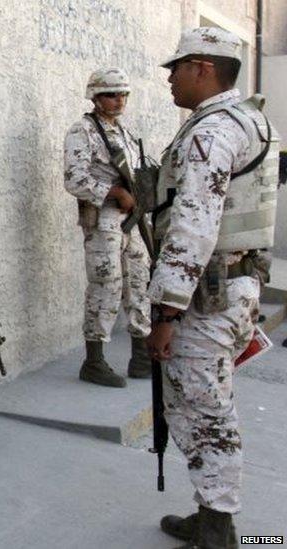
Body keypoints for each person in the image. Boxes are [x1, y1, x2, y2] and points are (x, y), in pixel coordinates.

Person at [149, 27, 280, 549]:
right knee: (208, 404)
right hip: (236, 284)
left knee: (204, 410)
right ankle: (211, 513)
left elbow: (193, 226)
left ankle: (219, 526)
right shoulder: (251, 118)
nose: (169, 79)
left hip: (207, 295)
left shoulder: (212, 132)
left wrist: (167, 313)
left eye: (175, 68)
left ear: (203, 67)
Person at [63, 67, 152, 388]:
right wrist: (114, 193)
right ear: (96, 97)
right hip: (102, 222)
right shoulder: (82, 131)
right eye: (111, 95)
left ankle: (141, 356)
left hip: (131, 222)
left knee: (140, 282)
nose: (118, 101)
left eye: (123, 94)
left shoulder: (123, 133)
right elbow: (74, 180)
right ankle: (94, 361)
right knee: (106, 285)